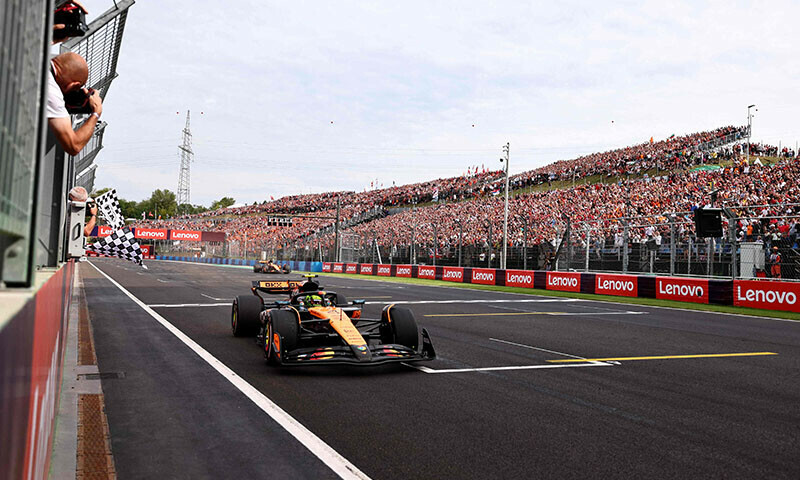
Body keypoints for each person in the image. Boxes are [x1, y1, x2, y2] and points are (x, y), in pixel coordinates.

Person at [47, 52, 103, 155]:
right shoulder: (52, 92)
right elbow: (73, 146)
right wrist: (96, 112)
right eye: (76, 89)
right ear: (74, 85)